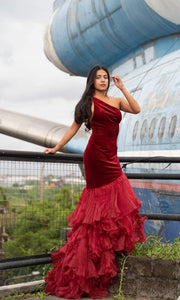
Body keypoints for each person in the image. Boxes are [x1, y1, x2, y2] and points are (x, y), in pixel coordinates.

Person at [44, 65, 146, 299]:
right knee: (97, 206)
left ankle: (106, 246)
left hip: (112, 155)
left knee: (118, 197)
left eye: (105, 77)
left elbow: (137, 109)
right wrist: (57, 148)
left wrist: (123, 88)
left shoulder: (117, 100)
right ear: (92, 81)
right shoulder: (87, 103)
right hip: (96, 156)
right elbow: (74, 127)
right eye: (99, 77)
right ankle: (89, 257)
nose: (103, 80)